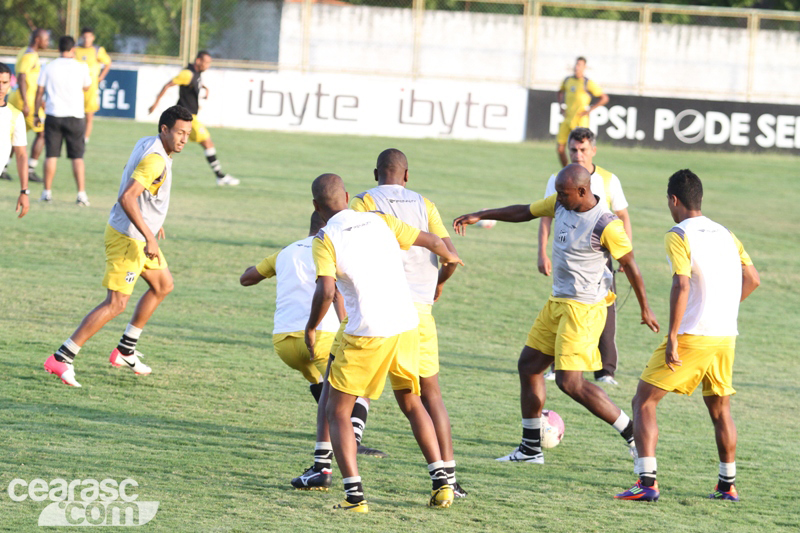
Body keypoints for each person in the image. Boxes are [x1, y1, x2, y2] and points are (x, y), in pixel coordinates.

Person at [453, 164, 659, 465]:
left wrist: (645, 307)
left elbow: (632, 266)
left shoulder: (607, 225)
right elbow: (525, 211)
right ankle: (530, 449)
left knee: (569, 382)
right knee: (529, 365)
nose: (557, 199)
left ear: (583, 191)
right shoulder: (561, 203)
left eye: (563, 194)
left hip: (584, 310)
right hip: (558, 302)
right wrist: (482, 215)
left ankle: (632, 433)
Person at [306, 173, 463, 512]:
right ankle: (442, 484)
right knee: (411, 402)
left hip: (367, 331)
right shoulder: (378, 220)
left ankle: (355, 496)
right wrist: (449, 266)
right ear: (347, 196)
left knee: (337, 411)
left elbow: (326, 290)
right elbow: (436, 244)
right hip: (407, 324)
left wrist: (311, 326)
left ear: (316, 206)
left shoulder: (324, 238)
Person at [615, 170, 760, 503]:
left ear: (673, 200)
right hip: (725, 337)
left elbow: (681, 283)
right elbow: (752, 278)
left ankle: (647, 482)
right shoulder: (726, 233)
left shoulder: (678, 234)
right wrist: (722, 309)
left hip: (694, 334)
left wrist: (673, 337)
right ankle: (728, 486)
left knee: (643, 401)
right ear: (701, 199)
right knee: (720, 409)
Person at [43, 105, 193, 387]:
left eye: (188, 133)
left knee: (163, 285)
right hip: (129, 239)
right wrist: (148, 233)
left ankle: (125, 350)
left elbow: (131, 176)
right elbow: (128, 196)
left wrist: (151, 219)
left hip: (139, 233)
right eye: (179, 132)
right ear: (165, 130)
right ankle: (62, 357)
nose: (184, 139)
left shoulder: (147, 142)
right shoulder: (156, 160)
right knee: (116, 303)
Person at [349, 148, 466, 497]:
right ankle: (451, 479)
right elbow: (451, 256)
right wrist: (439, 283)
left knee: (349, 385)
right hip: (419, 311)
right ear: (406, 175)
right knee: (429, 395)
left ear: (376, 173)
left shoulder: (363, 202)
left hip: (380, 308)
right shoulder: (424, 204)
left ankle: (330, 462)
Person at [240, 213, 386, 465]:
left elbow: (247, 278)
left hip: (284, 343)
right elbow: (335, 294)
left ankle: (335, 438)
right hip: (321, 336)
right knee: (359, 388)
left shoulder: (285, 252)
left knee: (322, 382)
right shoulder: (332, 250)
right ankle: (352, 441)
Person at [539, 128, 632, 385]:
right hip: (567, 254)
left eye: (582, 149)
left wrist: (625, 249)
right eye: (573, 150)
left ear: (593, 150)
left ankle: (605, 371)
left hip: (598, 255)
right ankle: (558, 366)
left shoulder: (609, 180)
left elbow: (622, 216)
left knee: (605, 311)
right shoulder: (558, 178)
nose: (577, 154)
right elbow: (545, 215)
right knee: (562, 307)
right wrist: (541, 252)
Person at [147, 51, 239, 186]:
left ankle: (151, 168)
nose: (208, 65)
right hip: (187, 118)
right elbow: (168, 85)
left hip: (189, 117)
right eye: (206, 62)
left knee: (170, 146)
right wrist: (155, 104)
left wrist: (205, 89)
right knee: (207, 143)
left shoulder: (197, 74)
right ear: (198, 61)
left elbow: (197, 83)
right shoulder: (187, 74)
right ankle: (220, 176)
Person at [33, 36, 92, 205]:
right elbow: (87, 86)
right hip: (75, 116)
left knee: (51, 155)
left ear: (58, 48)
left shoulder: (48, 67)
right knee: (77, 157)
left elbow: (39, 92)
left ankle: (46, 193)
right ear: (73, 49)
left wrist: (37, 114)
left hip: (53, 114)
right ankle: (81, 194)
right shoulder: (81, 66)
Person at [4, 28, 49, 183]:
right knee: (43, 133)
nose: (47, 42)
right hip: (26, 102)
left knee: (13, 134)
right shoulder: (29, 55)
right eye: (46, 39)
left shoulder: (26, 51)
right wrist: (27, 102)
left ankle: (3, 167)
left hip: (26, 100)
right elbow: (22, 77)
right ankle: (30, 169)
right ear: (37, 39)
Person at [555, 57, 608, 167]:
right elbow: (560, 92)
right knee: (560, 149)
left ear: (584, 67)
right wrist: (561, 106)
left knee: (581, 150)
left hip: (580, 121)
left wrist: (589, 110)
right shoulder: (567, 80)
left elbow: (604, 98)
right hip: (567, 119)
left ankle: (583, 172)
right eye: (576, 64)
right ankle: (567, 171)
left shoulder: (587, 83)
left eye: (580, 65)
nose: (577, 67)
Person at [0, 62, 30, 217]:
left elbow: (21, 155)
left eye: (4, 83)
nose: (1, 87)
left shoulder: (15, 116)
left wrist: (24, 191)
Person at [75, 27, 112, 143]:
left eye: (89, 37)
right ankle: (76, 136)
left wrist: (101, 77)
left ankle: (85, 139)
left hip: (91, 88)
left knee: (89, 115)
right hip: (76, 87)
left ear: (93, 38)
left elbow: (108, 63)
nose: (86, 40)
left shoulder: (97, 50)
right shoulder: (75, 49)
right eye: (84, 37)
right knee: (76, 115)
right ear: (81, 37)